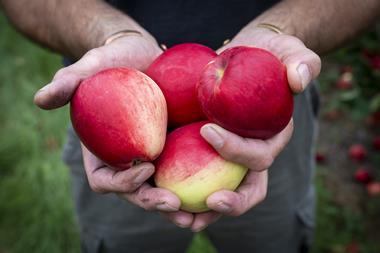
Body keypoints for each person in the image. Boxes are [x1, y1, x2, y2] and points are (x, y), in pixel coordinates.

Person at [2, 0, 379, 252]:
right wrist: (113, 37)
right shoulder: (134, 122)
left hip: (269, 116)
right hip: (111, 120)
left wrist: (278, 32)